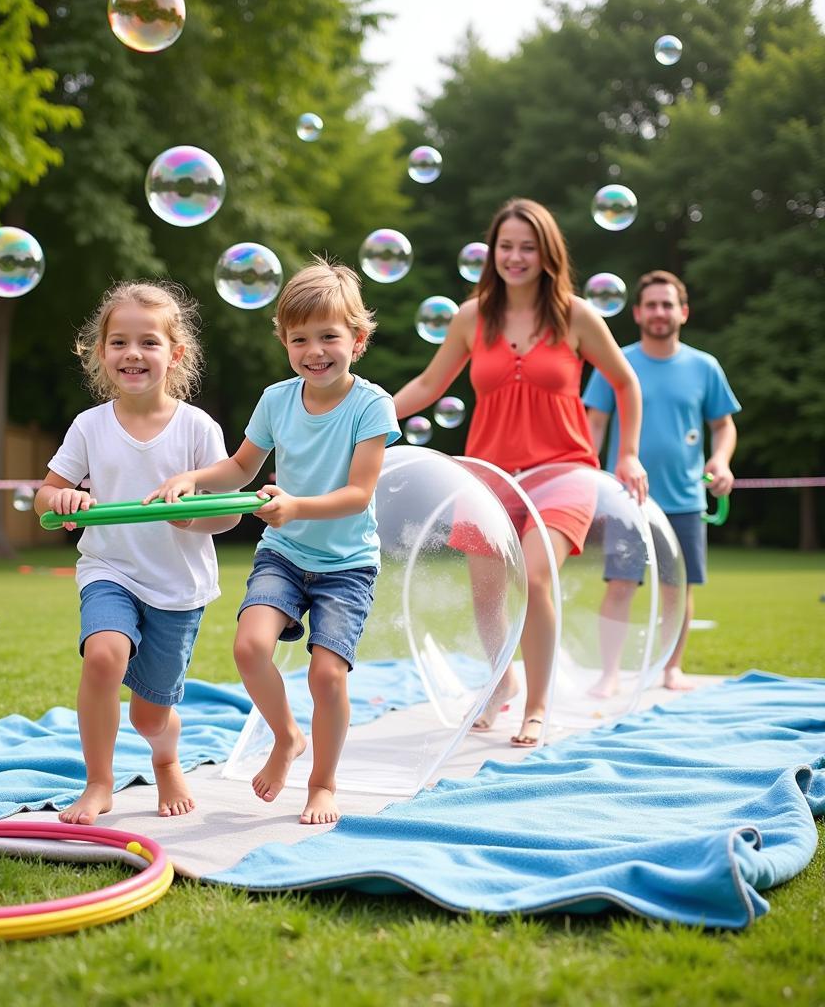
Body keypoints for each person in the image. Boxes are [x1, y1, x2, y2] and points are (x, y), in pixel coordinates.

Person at [148, 257, 400, 824]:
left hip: (347, 564)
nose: (315, 350)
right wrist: (192, 478)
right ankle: (287, 737)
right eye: (300, 338)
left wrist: (294, 505)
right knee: (249, 648)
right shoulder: (276, 399)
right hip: (284, 555)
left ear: (357, 341)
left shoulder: (371, 405)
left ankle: (323, 784)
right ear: (284, 341)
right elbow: (240, 468)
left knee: (326, 675)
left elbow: (359, 493)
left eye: (329, 336)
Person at [392, 198, 647, 747]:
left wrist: (628, 453)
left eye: (527, 246)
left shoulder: (577, 315)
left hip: (565, 471)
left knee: (533, 577)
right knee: (485, 592)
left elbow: (626, 382)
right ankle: (501, 678)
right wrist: (366, 416)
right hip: (488, 475)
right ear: (493, 252)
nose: (515, 256)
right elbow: (428, 387)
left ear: (547, 253)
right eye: (506, 246)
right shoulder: (471, 317)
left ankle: (536, 703)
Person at [34, 281, 239, 825]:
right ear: (100, 354)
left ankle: (166, 757)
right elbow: (44, 497)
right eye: (119, 342)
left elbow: (229, 514)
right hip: (110, 570)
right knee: (103, 656)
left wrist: (191, 514)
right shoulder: (89, 426)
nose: (133, 353)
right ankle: (99, 782)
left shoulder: (198, 427)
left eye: (148, 342)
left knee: (151, 715)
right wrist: (65, 496)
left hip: (177, 586)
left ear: (176, 355)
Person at [584, 269, 740, 692]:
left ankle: (672, 669)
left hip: (686, 498)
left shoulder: (704, 367)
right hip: (625, 498)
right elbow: (594, 424)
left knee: (678, 588)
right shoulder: (617, 362)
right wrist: (587, 471)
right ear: (637, 312)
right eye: (651, 304)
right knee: (620, 585)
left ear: (683, 312)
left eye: (667, 304)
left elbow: (723, 426)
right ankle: (610, 674)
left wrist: (721, 460)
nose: (659, 312)